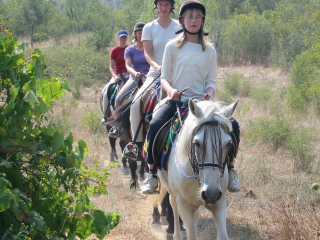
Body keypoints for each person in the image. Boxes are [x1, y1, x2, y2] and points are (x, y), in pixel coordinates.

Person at [140, 0, 241, 194]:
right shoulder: (172, 47)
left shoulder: (209, 50)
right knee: (154, 126)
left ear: (202, 21)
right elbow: (165, 78)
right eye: (189, 17)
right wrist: (171, 92)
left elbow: (211, 81)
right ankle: (152, 173)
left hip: (203, 105)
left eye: (197, 17)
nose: (193, 20)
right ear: (182, 20)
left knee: (233, 125)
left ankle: (231, 168)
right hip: (177, 100)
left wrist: (209, 93)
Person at [123, 0, 180, 158]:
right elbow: (148, 54)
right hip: (155, 73)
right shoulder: (149, 27)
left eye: (166, 4)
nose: (163, 8)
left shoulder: (179, 26)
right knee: (135, 104)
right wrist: (158, 67)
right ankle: (136, 145)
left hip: (177, 71)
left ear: (171, 6)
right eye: (160, 5)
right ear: (156, 6)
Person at [108, 22, 150, 138]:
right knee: (119, 98)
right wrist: (135, 73)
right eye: (139, 33)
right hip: (134, 77)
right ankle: (117, 127)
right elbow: (128, 66)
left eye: (143, 33)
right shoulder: (130, 49)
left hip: (150, 77)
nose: (141, 35)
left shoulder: (151, 47)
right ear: (135, 34)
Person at [100, 30, 130, 125]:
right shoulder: (114, 50)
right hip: (117, 74)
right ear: (118, 38)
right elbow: (111, 66)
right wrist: (114, 76)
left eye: (124, 37)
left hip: (129, 74)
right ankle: (105, 114)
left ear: (127, 38)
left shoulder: (130, 48)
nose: (123, 39)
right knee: (107, 90)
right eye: (121, 37)